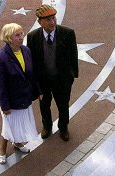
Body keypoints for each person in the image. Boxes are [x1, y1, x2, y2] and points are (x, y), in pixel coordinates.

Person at [27, 5, 78, 142]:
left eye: (53, 18)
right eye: (48, 19)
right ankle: (47, 127)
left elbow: (73, 56)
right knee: (44, 106)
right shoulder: (32, 37)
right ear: (40, 22)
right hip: (43, 82)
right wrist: (35, 83)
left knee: (63, 105)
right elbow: (31, 61)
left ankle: (63, 127)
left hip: (62, 81)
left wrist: (71, 76)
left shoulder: (68, 33)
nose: (52, 22)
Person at [0, 23, 42, 164]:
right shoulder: (1, 57)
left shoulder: (26, 51)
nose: (21, 37)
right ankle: (2, 149)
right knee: (9, 126)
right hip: (11, 101)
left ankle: (18, 143)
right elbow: (0, 84)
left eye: (21, 34)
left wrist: (38, 91)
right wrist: (5, 106)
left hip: (24, 97)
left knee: (20, 124)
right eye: (17, 35)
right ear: (9, 38)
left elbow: (31, 75)